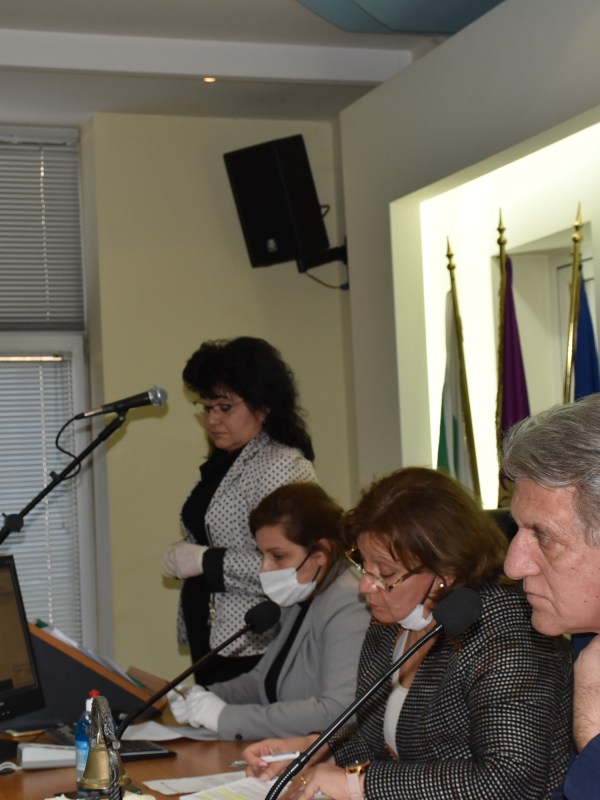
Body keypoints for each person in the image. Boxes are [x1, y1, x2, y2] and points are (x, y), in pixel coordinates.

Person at [243, 467, 573, 800]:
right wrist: (313, 751)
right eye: (363, 564)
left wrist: (358, 784)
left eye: (386, 573)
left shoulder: (508, 628)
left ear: (445, 571)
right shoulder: (389, 624)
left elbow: (510, 779)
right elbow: (371, 742)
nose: (365, 586)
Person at [162, 337, 316, 684]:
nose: (212, 420)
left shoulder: (282, 465)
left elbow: (296, 568)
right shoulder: (225, 460)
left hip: (253, 642)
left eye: (225, 407)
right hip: (214, 632)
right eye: (206, 408)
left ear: (263, 406)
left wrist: (206, 561)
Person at [167, 482, 370, 739]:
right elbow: (262, 682)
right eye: (262, 555)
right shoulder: (302, 591)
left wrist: (224, 717)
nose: (265, 568)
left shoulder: (349, 602)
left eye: (278, 556)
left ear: (321, 553)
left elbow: (337, 711)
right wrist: (205, 695)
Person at [502, 394, 600, 800]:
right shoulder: (586, 635)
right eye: (518, 530)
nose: (514, 566)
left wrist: (593, 731)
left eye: (543, 536)